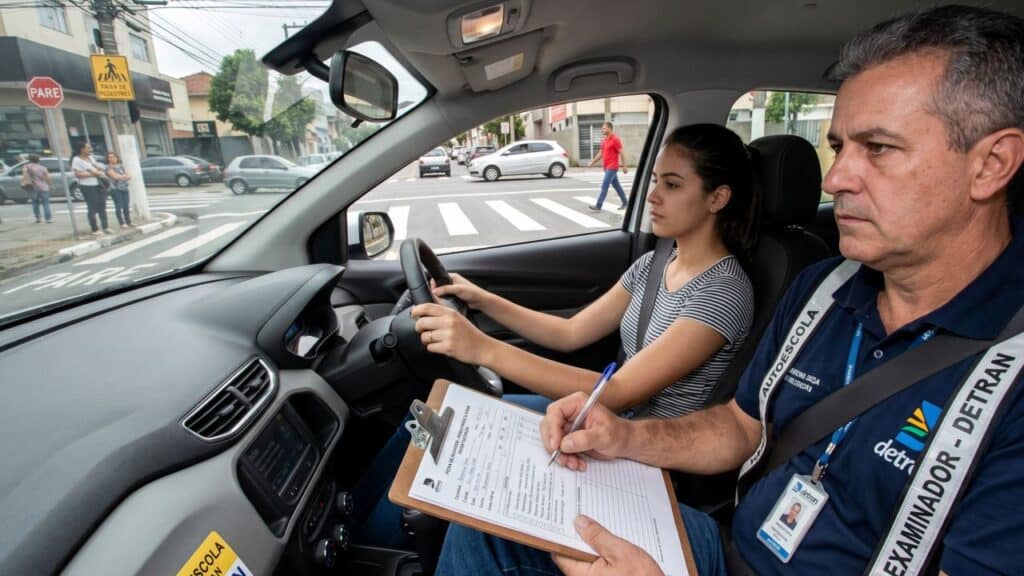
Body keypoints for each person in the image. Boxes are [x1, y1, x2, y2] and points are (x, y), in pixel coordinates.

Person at [438, 5, 1024, 575]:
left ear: (991, 164)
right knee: (484, 519)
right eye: (841, 146)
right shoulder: (822, 289)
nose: (838, 177)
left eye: (879, 148)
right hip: (729, 547)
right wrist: (627, 436)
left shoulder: (1010, 375)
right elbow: (741, 427)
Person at [350, 123, 760, 547]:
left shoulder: (723, 292)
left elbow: (617, 393)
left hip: (640, 454)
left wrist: (482, 347)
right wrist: (482, 298)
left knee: (455, 457)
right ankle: (355, 526)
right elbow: (570, 332)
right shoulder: (654, 265)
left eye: (671, 185)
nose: (653, 196)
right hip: (599, 424)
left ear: (717, 198)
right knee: (432, 417)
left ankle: (372, 552)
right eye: (655, 180)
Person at [587, 122, 629, 211]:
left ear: (610, 128)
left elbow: (622, 153)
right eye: (602, 128)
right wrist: (592, 162)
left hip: (612, 167)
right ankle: (625, 202)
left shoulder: (615, 139)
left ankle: (598, 206)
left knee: (604, 185)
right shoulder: (604, 140)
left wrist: (624, 166)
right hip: (606, 168)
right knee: (617, 186)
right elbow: (601, 153)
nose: (602, 130)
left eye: (604, 128)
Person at [71, 142, 111, 236]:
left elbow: (97, 167)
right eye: (88, 148)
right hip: (87, 186)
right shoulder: (77, 160)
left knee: (102, 205)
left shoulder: (90, 158)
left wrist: (99, 169)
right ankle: (94, 228)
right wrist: (93, 174)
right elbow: (77, 174)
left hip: (99, 184)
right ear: (82, 149)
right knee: (92, 207)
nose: (90, 149)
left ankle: (105, 227)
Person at [21, 154, 52, 224]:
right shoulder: (43, 168)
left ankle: (38, 218)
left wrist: (25, 182)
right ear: (38, 160)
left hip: (32, 187)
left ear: (29, 160)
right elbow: (48, 178)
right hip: (44, 187)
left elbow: (24, 175)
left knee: (35, 203)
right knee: (45, 203)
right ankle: (48, 219)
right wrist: (50, 185)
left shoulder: (26, 167)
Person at [105, 151, 133, 228]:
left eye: (113, 157)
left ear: (117, 158)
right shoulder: (108, 168)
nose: (112, 159)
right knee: (118, 206)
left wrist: (123, 176)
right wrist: (123, 176)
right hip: (115, 189)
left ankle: (128, 221)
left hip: (124, 188)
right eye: (110, 157)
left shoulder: (121, 166)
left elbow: (129, 176)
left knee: (126, 205)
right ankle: (121, 223)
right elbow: (115, 177)